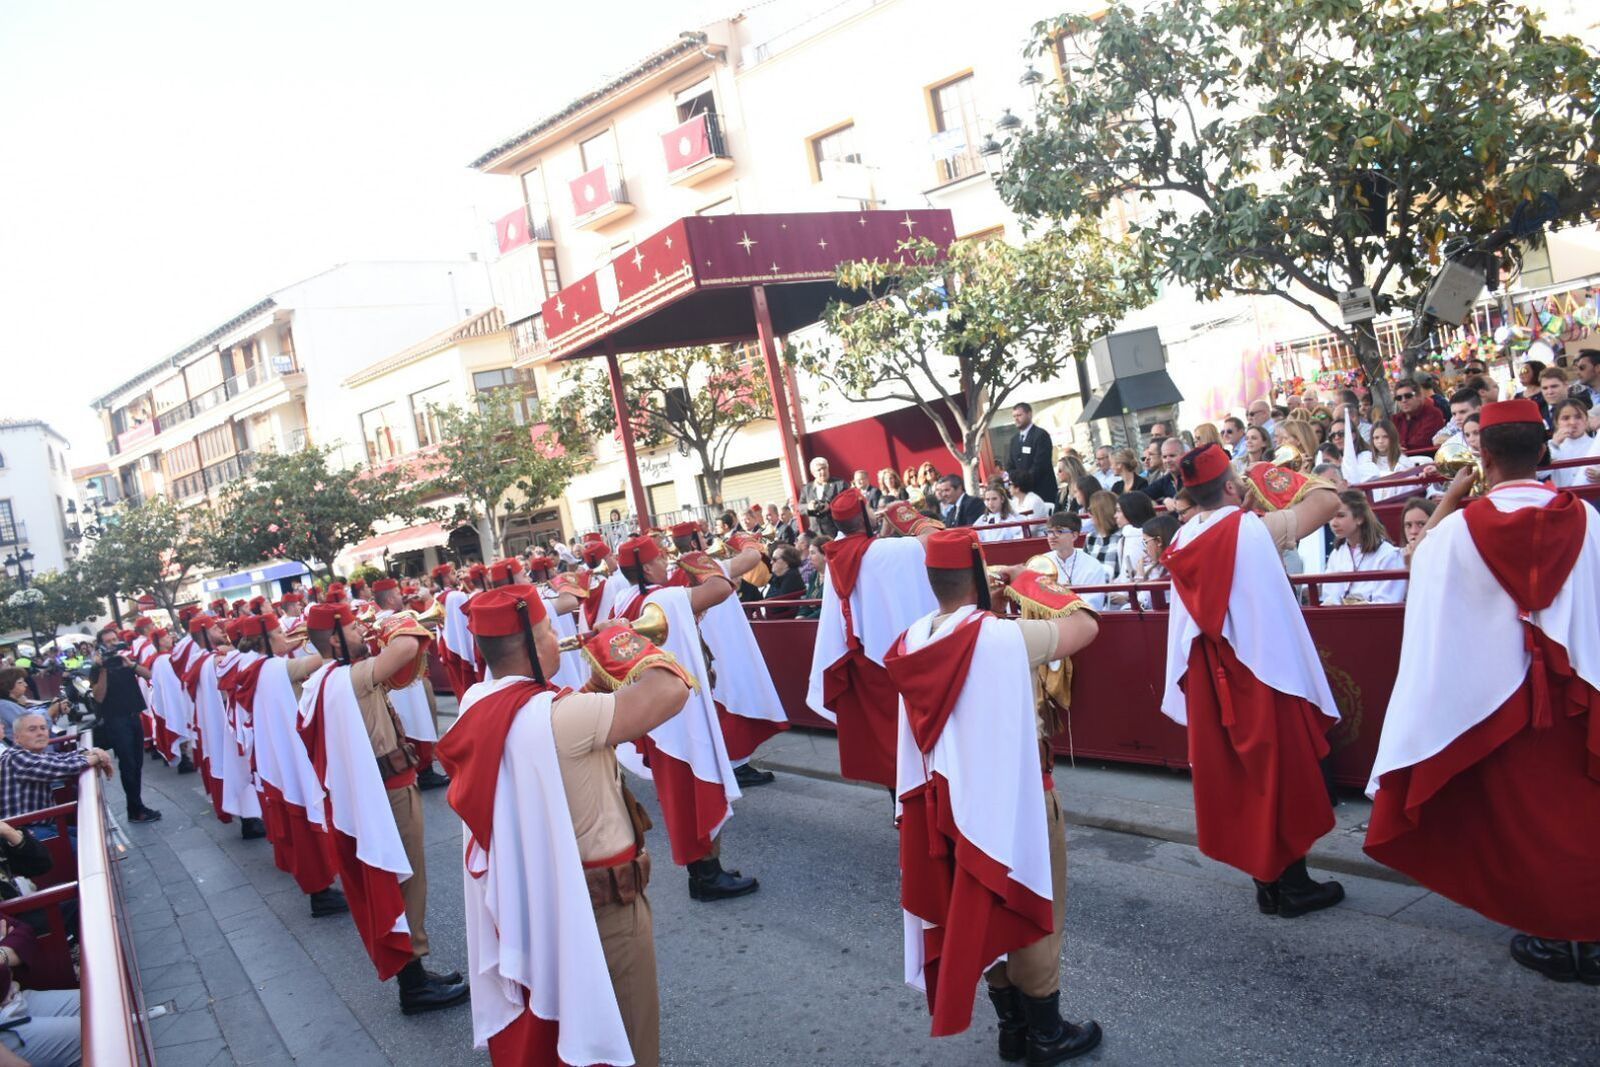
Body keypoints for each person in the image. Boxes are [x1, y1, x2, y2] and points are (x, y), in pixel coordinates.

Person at [1364, 399, 1600, 984]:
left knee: (1525, 824)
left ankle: (1549, 930)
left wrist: (1450, 495)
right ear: (1543, 451)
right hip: (1579, 699)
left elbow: (1426, 600)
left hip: (1498, 709)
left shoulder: (1452, 537)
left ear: (1484, 456)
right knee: (1586, 814)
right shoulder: (1591, 523)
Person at [437, 586, 691, 1066]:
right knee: (630, 1047)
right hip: (605, 908)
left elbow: (561, 733)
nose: (561, 638)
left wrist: (594, 684)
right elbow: (670, 689)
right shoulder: (559, 719)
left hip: (546, 900)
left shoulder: (479, 703)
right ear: (530, 646)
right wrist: (621, 640)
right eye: (550, 630)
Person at [883, 528, 1102, 1061]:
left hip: (949, 807)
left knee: (978, 910)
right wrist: (1030, 583)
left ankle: (1011, 1027)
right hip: (1015, 801)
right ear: (979, 576)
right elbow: (1086, 625)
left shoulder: (911, 638)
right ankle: (1046, 1033)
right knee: (1032, 907)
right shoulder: (1001, 636)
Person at [1160, 444, 1346, 915]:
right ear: (1229, 486)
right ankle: (1294, 886)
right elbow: (1328, 499)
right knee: (1281, 773)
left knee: (1243, 779)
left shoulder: (1180, 541)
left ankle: (1268, 882)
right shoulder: (1251, 530)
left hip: (1208, 672)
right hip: (1260, 669)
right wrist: (1270, 475)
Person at [298, 601, 469, 1012]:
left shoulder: (332, 678)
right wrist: (392, 623)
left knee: (405, 879)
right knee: (404, 880)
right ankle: (413, 984)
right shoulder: (348, 677)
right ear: (336, 639)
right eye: (355, 628)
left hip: (385, 786)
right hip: (387, 790)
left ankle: (416, 968)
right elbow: (408, 645)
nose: (363, 631)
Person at [608, 534, 760, 897]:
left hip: (657, 710)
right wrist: (700, 562)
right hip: (680, 709)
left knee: (680, 792)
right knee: (697, 786)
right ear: (646, 567)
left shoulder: (623, 598)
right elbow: (721, 589)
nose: (666, 562)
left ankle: (704, 870)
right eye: (660, 558)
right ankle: (705, 874)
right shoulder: (662, 598)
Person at [807, 489, 939, 789]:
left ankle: (899, 805)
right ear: (865, 514)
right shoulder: (887, 551)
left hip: (864, 659)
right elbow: (933, 537)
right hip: (900, 656)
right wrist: (903, 515)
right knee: (916, 745)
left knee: (887, 746)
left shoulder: (836, 554)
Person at [89, 628, 161, 824]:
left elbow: (149, 675)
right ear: (101, 645)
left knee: (137, 763)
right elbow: (98, 696)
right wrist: (103, 669)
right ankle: (135, 809)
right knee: (128, 764)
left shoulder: (125, 660)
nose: (112, 644)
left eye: (114, 640)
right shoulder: (96, 668)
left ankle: (136, 806)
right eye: (108, 642)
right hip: (116, 720)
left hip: (133, 715)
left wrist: (131, 665)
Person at [0, 712, 114, 825]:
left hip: (42, 827)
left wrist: (89, 752)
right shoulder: (16, 757)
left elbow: (61, 758)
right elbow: (60, 768)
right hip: (27, 834)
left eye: (43, 728)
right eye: (32, 729)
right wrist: (97, 758)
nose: (40, 733)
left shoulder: (31, 754)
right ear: (16, 738)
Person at [0, 915, 82, 1067]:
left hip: (12, 997)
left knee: (99, 1004)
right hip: (4, 1029)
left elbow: (23, 931)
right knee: (94, 1033)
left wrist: (3, 954)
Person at [1319, 491, 1407, 604]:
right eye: (1331, 517)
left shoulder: (1388, 554)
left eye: (1340, 516)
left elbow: (1387, 601)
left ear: (1359, 518)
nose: (1333, 523)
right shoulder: (1336, 553)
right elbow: (1330, 597)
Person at [1040, 513, 1109, 611]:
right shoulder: (1041, 562)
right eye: (1049, 532)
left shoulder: (1092, 565)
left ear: (1074, 535)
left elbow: (1092, 606)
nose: (1052, 536)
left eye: (1059, 531)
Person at [1345, 418, 1425, 501]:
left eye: (1385, 437)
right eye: (1376, 438)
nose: (1380, 441)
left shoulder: (1403, 461)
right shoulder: (1366, 457)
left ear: (1393, 437)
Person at [1007, 402, 1058, 505]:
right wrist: (1017, 482)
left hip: (1042, 491)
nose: (1016, 419)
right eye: (1014, 416)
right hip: (1022, 495)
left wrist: (1023, 482)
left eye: (1019, 415)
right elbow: (1009, 465)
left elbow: (1040, 464)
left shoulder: (1041, 435)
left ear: (1029, 414)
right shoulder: (1014, 440)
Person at [1547, 398, 1598, 488]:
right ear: (1556, 423)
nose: (1572, 422)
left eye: (1578, 417)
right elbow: (1540, 473)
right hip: (1563, 498)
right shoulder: (1550, 445)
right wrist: (1554, 445)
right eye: (1565, 418)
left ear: (1586, 420)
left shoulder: (1596, 445)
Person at [1112, 491, 1157, 584]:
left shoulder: (1144, 539)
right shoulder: (1124, 539)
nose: (1115, 516)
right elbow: (1124, 576)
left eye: (1119, 511)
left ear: (1131, 511)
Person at [799, 456, 848, 538]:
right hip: (816, 533)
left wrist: (830, 506)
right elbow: (799, 507)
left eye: (824, 468)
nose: (823, 471)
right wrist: (809, 507)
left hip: (836, 530)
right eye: (819, 470)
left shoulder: (840, 484)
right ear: (813, 473)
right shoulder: (807, 488)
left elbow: (847, 503)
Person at [1392, 378, 1446, 450]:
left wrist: (1395, 447)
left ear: (1419, 396)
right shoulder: (1395, 419)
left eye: (1408, 396)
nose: (1403, 400)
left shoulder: (1433, 414)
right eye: (1399, 398)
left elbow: (1420, 442)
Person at [1082, 491, 1120, 570]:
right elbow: (1084, 569)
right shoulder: (1091, 537)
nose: (1089, 514)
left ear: (1101, 513)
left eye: (1090, 510)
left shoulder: (1123, 536)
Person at [1146, 437, 1185, 506]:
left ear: (1184, 455)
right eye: (1164, 457)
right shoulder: (1166, 479)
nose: (1168, 460)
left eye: (1172, 456)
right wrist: (1164, 501)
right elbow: (1140, 496)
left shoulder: (1193, 475)